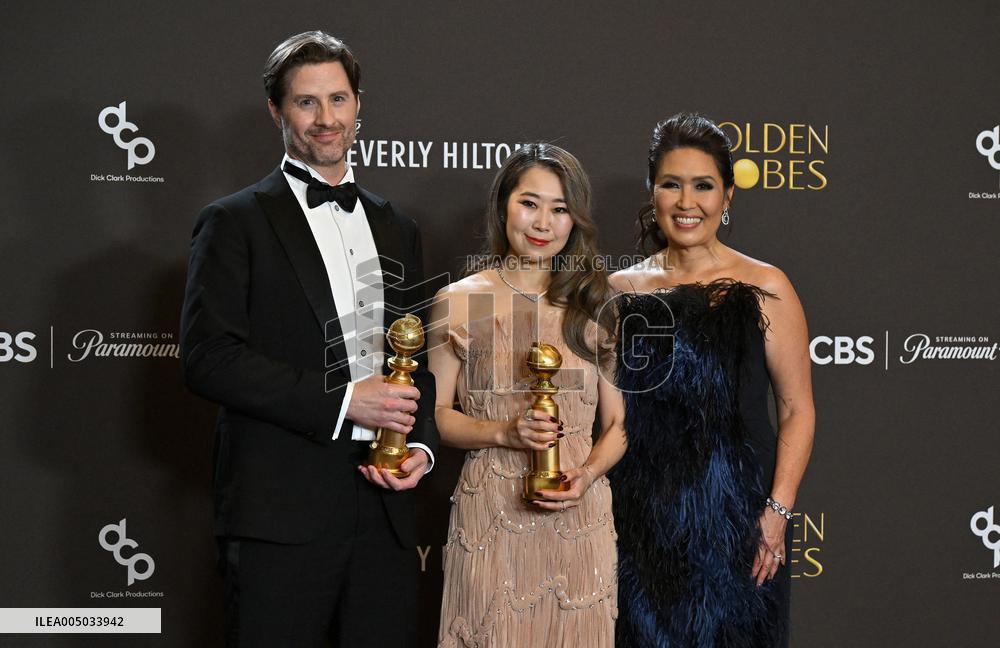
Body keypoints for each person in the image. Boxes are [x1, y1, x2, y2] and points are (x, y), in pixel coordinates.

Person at [179, 31, 438, 647]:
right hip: (280, 515)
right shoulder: (233, 221)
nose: (326, 119)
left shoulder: (397, 225)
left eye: (338, 99)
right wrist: (347, 402)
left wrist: (421, 450)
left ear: (358, 105)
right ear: (277, 111)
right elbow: (208, 359)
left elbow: (416, 357)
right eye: (306, 103)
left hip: (386, 516)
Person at [609, 113, 815, 647]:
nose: (686, 202)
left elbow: (797, 409)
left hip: (738, 525)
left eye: (703, 186)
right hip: (638, 524)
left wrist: (777, 511)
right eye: (671, 184)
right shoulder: (619, 289)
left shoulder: (767, 284)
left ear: (727, 197)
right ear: (652, 194)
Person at [430, 144, 626, 647]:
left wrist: (585, 475)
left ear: (575, 220)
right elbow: (436, 416)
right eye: (530, 203)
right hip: (492, 514)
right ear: (503, 207)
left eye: (560, 209)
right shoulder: (458, 300)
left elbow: (618, 426)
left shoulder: (595, 302)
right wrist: (502, 431)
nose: (543, 222)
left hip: (579, 515)